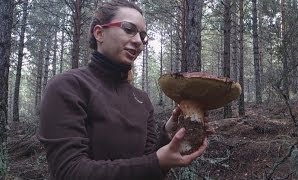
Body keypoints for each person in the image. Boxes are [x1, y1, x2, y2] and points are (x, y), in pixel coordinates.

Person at [37, 0, 209, 179]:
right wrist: (157, 162)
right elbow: (69, 171)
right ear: (99, 33)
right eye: (128, 29)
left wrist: (167, 134)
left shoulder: (141, 99)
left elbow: (146, 164)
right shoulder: (68, 87)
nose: (138, 42)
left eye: (143, 36)